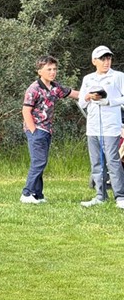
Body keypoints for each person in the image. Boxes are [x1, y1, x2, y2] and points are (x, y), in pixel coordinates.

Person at [21, 55, 79, 204]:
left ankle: (37, 194)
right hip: (36, 130)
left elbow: (72, 93)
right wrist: (33, 131)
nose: (53, 72)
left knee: (41, 162)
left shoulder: (55, 87)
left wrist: (90, 96)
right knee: (39, 162)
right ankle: (26, 193)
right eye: (49, 69)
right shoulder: (34, 89)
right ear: (40, 71)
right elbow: (26, 111)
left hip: (47, 130)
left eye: (54, 69)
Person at [77, 45, 124, 208]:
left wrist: (108, 101)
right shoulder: (88, 79)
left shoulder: (118, 76)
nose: (106, 62)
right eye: (103, 59)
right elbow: (81, 102)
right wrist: (88, 97)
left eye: (108, 58)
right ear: (94, 61)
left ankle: (120, 197)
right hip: (93, 127)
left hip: (111, 126)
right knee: (96, 162)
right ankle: (100, 195)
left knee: (113, 161)